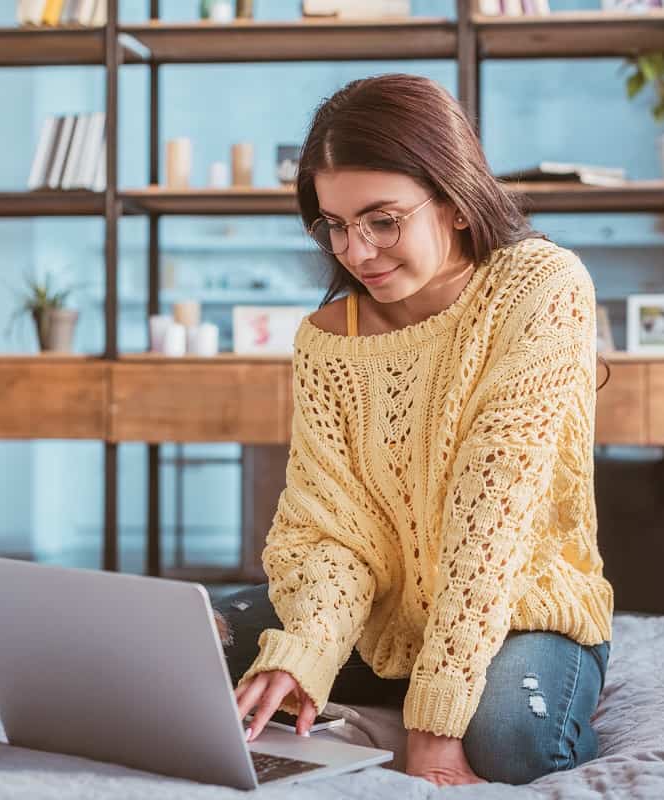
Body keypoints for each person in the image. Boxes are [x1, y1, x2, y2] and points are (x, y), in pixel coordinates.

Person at [212, 73, 614, 787]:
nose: (357, 252)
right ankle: (362, 680)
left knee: (509, 739)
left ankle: (444, 696)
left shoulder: (542, 288)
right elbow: (330, 530)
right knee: (191, 645)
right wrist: (304, 649)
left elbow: (491, 519)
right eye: (334, 225)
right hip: (380, 612)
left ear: (456, 201)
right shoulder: (327, 341)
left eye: (383, 220)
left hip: (516, 607)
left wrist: (435, 720)